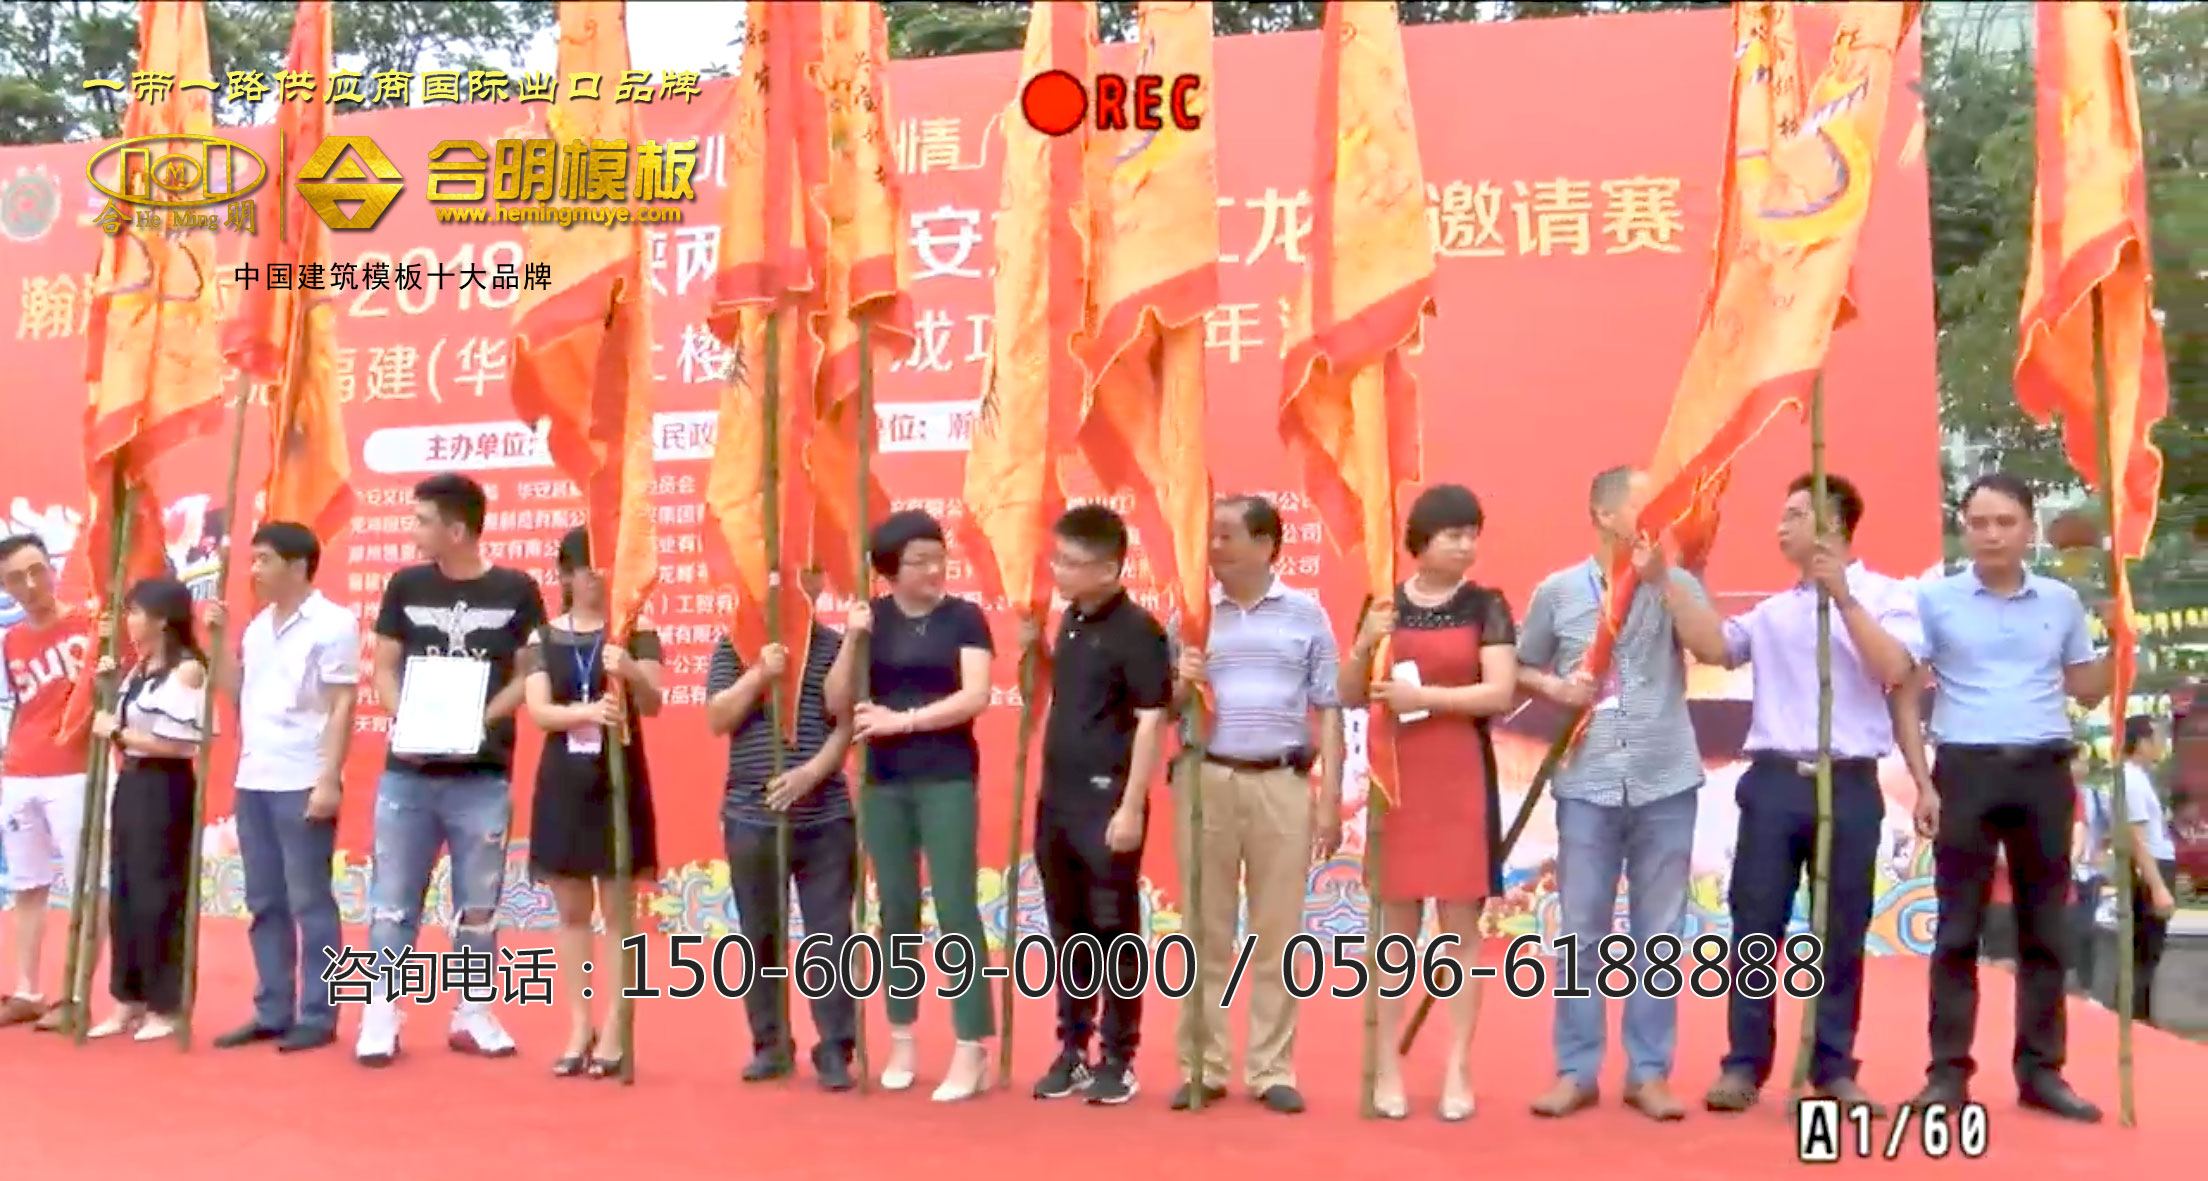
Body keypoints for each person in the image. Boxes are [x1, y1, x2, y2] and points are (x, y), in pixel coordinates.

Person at [1701, 475, 1920, 1117]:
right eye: (1783, 514)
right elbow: (1715, 647)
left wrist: (1843, 597)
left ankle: (1833, 1066)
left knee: (1841, 927)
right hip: (1774, 783)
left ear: (1835, 525)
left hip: (1847, 781)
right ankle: (1744, 1063)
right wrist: (1675, 578)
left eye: (1796, 514)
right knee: (1756, 926)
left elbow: (1894, 669)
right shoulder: (1772, 612)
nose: (1782, 526)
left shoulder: (1889, 597)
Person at [1516, 467, 1723, 1122]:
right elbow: (1520, 663)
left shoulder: (1676, 581)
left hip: (1666, 779)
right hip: (1587, 782)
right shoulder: (1557, 591)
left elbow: (1713, 647)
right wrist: (1555, 688)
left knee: (1659, 932)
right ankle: (1576, 1069)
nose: (1656, 514)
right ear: (1604, 514)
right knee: (1582, 930)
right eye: (1642, 504)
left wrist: (1665, 581)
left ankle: (1649, 1071)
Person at [1906, 472, 2108, 1122]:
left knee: (2044, 928)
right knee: (1957, 930)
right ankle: (1947, 1073)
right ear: (1964, 529)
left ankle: (2042, 1071)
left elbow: (2087, 690)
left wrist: (2121, 642)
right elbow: (1905, 688)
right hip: (1965, 769)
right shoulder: (1934, 600)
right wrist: (1923, 780)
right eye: (1979, 523)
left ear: (2029, 528)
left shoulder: (2061, 601)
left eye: (2004, 522)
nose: (1991, 534)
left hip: (2043, 769)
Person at [1338, 483, 1518, 1121]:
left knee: (1460, 931)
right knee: (1395, 931)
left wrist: (1428, 701)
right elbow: (1349, 692)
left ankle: (1458, 1067)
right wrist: (1365, 644)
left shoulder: (1486, 606)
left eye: (1472, 534)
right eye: (1453, 534)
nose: (1466, 545)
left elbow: (1498, 693)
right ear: (1421, 539)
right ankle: (1386, 1065)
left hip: (1459, 773)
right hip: (1397, 778)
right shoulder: (1384, 603)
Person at [357, 473, 547, 1067]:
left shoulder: (517, 590)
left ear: (457, 529)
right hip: (408, 773)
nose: (413, 531)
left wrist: (477, 721)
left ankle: (473, 1010)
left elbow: (529, 674)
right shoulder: (405, 585)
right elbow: (383, 667)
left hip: (481, 775)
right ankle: (381, 1010)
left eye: (422, 521)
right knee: (393, 899)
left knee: (479, 903)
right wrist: (407, 717)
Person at [1172, 494, 1344, 1116]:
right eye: (1210, 536)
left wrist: (1329, 799)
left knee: (1278, 931)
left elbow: (1330, 708)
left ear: (1267, 544)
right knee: (1204, 928)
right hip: (1206, 778)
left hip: (1282, 782)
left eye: (1226, 535)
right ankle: (1203, 1065)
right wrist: (1182, 679)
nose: (1214, 546)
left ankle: (1273, 1067)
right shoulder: (1192, 615)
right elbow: (1163, 707)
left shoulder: (1306, 614)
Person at [823, 508, 995, 1101]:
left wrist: (906, 721)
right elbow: (837, 701)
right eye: (918, 561)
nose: (933, 570)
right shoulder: (872, 619)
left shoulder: (963, 617)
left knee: (955, 907)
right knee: (896, 907)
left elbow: (977, 694)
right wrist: (852, 638)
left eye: (938, 558)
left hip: (947, 777)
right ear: (890, 570)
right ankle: (902, 1037)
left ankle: (971, 1046)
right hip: (884, 782)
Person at [1028, 505, 1172, 1107]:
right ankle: (1073, 1048)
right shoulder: (1070, 621)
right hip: (1056, 800)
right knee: (1069, 930)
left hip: (1106, 802)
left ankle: (1119, 1055)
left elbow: (1151, 721)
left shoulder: (1139, 632)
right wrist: (1032, 650)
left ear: (1109, 569)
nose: (1058, 571)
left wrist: (1131, 806)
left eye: (1071, 562)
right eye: (1057, 558)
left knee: (1113, 929)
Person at [209, 522, 357, 1053]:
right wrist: (217, 643)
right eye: (252, 560)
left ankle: (318, 1014)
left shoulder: (334, 623)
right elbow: (236, 692)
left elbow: (342, 704)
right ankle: (272, 1008)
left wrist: (328, 778)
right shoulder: (256, 628)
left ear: (297, 566)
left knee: (310, 901)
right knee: (265, 900)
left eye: (264, 560)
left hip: (302, 778)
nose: (254, 570)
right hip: (254, 777)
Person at [521, 526, 663, 1078]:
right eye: (584, 570)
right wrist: (586, 713)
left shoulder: (634, 631)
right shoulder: (543, 638)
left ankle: (618, 1023)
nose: (595, 579)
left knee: (620, 913)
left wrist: (629, 672)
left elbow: (652, 702)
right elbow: (540, 711)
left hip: (618, 779)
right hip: (564, 782)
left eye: (605, 569)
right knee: (573, 913)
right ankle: (580, 1024)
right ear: (564, 575)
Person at [706, 578, 858, 1091]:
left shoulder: (834, 644)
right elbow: (717, 717)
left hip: (824, 816)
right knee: (760, 936)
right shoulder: (735, 643)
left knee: (830, 938)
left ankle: (835, 1046)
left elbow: (845, 720)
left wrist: (809, 774)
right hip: (752, 815)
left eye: (805, 574)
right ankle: (770, 1044)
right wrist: (759, 675)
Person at [85, 576, 208, 1040]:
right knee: (125, 889)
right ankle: (128, 998)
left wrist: (117, 733)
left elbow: (181, 744)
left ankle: (165, 1003)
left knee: (159, 892)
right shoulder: (138, 668)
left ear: (161, 619)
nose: (129, 621)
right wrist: (106, 689)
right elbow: (114, 722)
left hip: (165, 785)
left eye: (136, 612)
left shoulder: (186, 669)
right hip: (132, 781)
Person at [0, 533, 93, 1030]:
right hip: (20, 774)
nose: (32, 584)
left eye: (38, 570)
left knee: (85, 884)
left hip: (75, 772)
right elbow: (20, 704)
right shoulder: (11, 640)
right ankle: (27, 990)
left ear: (52, 569)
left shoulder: (90, 626)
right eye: (17, 578)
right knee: (28, 885)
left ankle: (76, 993)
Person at [2114, 716, 2178, 1026]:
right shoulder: (2130, 780)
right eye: (2157, 738)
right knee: (2143, 952)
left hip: (2156, 864)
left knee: (2147, 953)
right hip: (2150, 869)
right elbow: (2137, 839)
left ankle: (2141, 1018)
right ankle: (2134, 1021)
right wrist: (2157, 886)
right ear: (2141, 742)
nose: (2161, 744)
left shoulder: (2139, 778)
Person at [2066, 749, 2107, 997]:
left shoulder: (2096, 797)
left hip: (2089, 874)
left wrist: (2104, 849)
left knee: (2086, 930)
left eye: (2082, 762)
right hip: (2064, 874)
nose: (2079, 767)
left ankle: (2085, 987)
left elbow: (2115, 827)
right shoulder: (2054, 794)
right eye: (2074, 762)